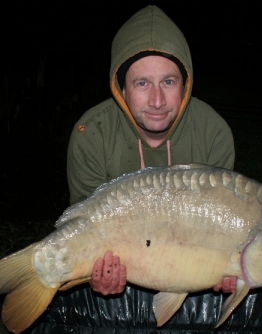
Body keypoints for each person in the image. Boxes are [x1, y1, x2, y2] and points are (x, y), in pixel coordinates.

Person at [67, 5, 236, 297]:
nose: (157, 101)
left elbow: (219, 228)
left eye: (168, 82)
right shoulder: (91, 134)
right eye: (142, 83)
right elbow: (81, 226)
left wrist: (225, 266)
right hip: (118, 262)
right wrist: (94, 271)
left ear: (186, 84)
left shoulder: (213, 133)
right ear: (121, 89)